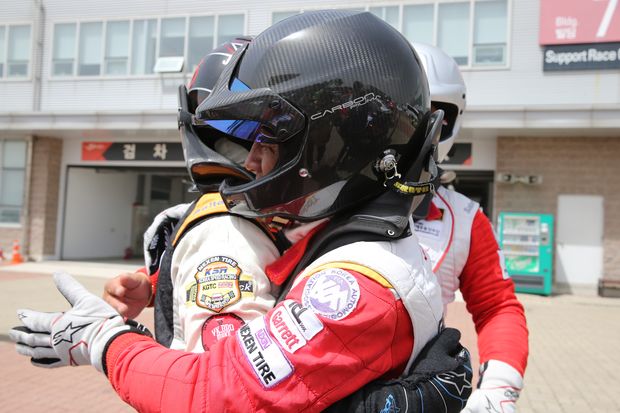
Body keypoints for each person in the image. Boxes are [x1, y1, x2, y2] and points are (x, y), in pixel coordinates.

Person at [10, 11, 466, 412]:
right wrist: (158, 286)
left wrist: (103, 341)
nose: (251, 160)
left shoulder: (358, 286)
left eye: (270, 141)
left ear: (332, 146)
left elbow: (215, 395)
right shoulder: (351, 239)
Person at [411, 42, 529, 413]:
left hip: (417, 393)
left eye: (428, 115)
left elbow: (497, 306)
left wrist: (499, 389)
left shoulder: (463, 217)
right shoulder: (325, 194)